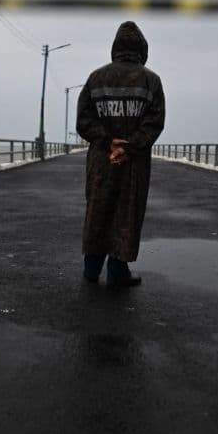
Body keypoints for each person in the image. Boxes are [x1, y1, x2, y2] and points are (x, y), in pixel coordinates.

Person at [76, 21, 166, 287]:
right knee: (127, 214)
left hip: (101, 160)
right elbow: (154, 122)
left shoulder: (96, 78)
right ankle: (117, 272)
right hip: (134, 164)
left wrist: (107, 142)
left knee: (97, 211)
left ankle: (91, 269)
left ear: (115, 47)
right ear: (142, 49)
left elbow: (83, 120)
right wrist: (129, 148)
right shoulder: (151, 81)